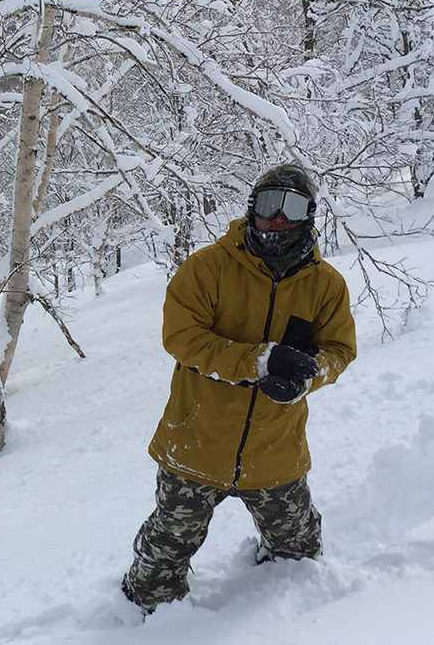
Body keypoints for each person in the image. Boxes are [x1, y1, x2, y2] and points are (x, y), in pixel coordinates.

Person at [120, 164, 356, 614]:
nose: (279, 219)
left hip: (275, 450)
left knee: (298, 557)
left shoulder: (326, 285)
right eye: (269, 205)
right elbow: (182, 337)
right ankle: (134, 629)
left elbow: (339, 350)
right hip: (196, 443)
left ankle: (277, 616)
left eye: (293, 207)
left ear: (310, 215)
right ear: (252, 209)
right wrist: (258, 360)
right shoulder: (209, 267)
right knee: (162, 561)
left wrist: (310, 374)